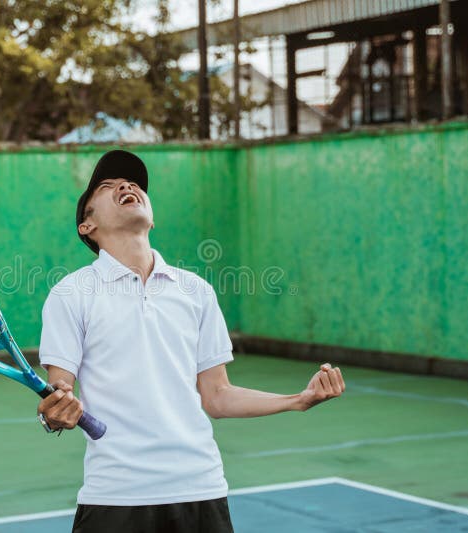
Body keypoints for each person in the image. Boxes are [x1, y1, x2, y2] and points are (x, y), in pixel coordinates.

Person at [37, 149, 346, 532]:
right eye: (107, 185)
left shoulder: (195, 291)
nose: (126, 185)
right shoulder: (71, 294)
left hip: (200, 489)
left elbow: (217, 396)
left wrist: (298, 400)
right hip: (117, 497)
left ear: (153, 218)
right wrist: (54, 414)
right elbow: (59, 392)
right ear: (87, 226)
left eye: (133, 183)